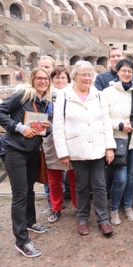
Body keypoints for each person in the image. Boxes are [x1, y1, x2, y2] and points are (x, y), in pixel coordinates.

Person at [53, 61, 116, 236]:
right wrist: (63, 152)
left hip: (97, 146)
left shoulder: (98, 95)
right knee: (80, 186)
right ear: (75, 76)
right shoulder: (64, 95)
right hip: (76, 147)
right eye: (84, 74)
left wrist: (110, 147)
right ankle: (82, 219)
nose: (87, 78)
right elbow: (57, 125)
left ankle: (103, 219)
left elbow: (106, 121)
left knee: (99, 185)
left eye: (90, 75)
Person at [0, 68, 52, 257]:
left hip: (31, 152)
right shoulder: (23, 95)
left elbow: (45, 129)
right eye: (39, 78)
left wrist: (48, 127)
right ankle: (21, 241)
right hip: (15, 150)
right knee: (20, 194)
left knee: (29, 189)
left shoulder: (44, 101)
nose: (42, 81)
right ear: (32, 79)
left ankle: (30, 221)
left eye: (45, 79)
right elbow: (1, 112)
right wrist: (19, 127)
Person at [103, 59, 133, 225]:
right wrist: (119, 125)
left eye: (129, 71)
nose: (126, 74)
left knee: (132, 176)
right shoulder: (107, 93)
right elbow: (104, 118)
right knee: (121, 178)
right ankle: (114, 209)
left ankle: (128, 206)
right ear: (117, 72)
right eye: (124, 71)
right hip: (117, 140)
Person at [45, 67, 77, 223]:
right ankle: (56, 207)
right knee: (54, 179)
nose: (59, 80)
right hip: (51, 141)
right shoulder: (45, 97)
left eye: (63, 78)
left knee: (75, 177)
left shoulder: (74, 95)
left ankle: (79, 207)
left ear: (68, 80)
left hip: (71, 140)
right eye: (56, 78)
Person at [38, 55, 56, 209]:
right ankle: (50, 201)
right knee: (47, 170)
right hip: (42, 137)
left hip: (57, 135)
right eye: (41, 67)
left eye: (47, 67)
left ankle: (59, 200)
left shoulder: (57, 90)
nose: (44, 70)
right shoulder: (35, 91)